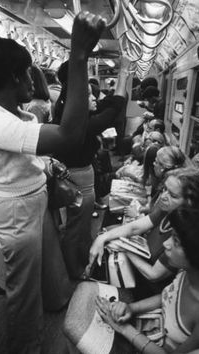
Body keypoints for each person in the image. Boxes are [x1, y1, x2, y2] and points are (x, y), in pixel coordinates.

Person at [0, 11, 106, 354]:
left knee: (50, 268)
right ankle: (27, 346)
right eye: (28, 71)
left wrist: (42, 163)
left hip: (33, 200)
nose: (34, 78)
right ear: (14, 77)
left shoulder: (14, 114)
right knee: (23, 293)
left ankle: (57, 303)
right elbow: (71, 135)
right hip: (15, 214)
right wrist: (79, 55)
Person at [91, 208, 199, 353]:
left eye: (175, 241)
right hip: (152, 325)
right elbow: (168, 296)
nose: (166, 244)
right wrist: (132, 308)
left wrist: (124, 329)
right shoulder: (187, 271)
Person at [53, 55, 132, 280]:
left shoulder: (75, 117)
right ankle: (75, 270)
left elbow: (109, 104)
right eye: (88, 95)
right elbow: (113, 108)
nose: (95, 97)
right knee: (75, 228)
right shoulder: (81, 126)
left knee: (81, 224)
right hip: (79, 180)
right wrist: (124, 72)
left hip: (81, 177)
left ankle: (83, 260)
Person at [86, 167, 199, 298]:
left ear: (190, 203)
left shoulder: (186, 235)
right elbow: (135, 228)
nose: (163, 196)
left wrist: (124, 249)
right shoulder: (167, 210)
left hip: (149, 289)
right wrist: (102, 238)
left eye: (172, 195)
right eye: (164, 189)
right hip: (137, 270)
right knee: (106, 234)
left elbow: (153, 275)